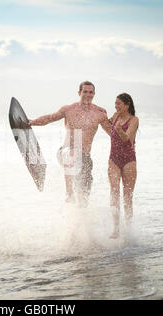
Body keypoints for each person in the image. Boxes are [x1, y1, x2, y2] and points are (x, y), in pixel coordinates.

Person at [29, 81, 109, 207]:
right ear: (79, 93)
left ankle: (78, 221)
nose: (88, 94)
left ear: (94, 94)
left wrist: (127, 138)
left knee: (83, 199)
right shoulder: (69, 110)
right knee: (73, 152)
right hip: (66, 152)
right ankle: (69, 193)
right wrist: (33, 122)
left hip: (85, 158)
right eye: (85, 92)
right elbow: (50, 118)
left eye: (90, 92)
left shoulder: (99, 114)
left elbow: (112, 133)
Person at [100, 93, 139, 239]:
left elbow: (126, 137)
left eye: (119, 104)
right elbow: (107, 127)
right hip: (113, 159)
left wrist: (119, 130)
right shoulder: (115, 116)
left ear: (127, 105)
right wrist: (100, 113)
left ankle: (128, 228)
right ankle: (115, 228)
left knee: (128, 196)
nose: (116, 106)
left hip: (129, 160)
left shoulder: (134, 120)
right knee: (114, 191)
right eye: (115, 103)